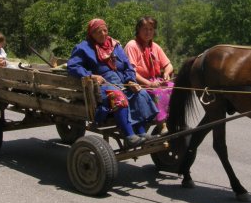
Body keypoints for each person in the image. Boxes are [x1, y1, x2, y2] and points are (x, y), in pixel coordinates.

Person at [67, 19, 158, 148]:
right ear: (91, 34)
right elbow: (73, 66)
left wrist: (130, 80)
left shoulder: (115, 46)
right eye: (99, 32)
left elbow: (128, 66)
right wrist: (91, 76)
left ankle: (141, 132)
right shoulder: (83, 48)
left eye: (105, 30)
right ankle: (129, 136)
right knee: (118, 97)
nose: (103, 34)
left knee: (140, 93)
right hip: (102, 85)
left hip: (122, 82)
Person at [124, 16, 174, 135]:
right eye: (145, 29)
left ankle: (172, 119)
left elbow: (169, 65)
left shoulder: (155, 47)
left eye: (151, 29)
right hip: (137, 83)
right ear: (138, 29)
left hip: (154, 80)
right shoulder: (132, 45)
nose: (148, 32)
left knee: (174, 87)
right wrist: (150, 84)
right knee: (159, 91)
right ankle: (162, 124)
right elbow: (132, 72)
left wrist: (166, 73)